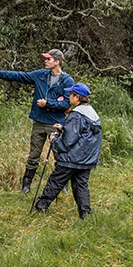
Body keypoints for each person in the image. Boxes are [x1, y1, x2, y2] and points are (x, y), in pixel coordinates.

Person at [0, 49, 75, 193]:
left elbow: (66, 105)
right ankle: (26, 186)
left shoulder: (67, 81)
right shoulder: (40, 74)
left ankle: (62, 184)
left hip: (55, 123)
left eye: (48, 59)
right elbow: (21, 76)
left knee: (59, 154)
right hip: (38, 122)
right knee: (33, 155)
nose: (45, 61)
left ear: (57, 62)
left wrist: (48, 104)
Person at [33, 83, 101, 219]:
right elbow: (83, 134)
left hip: (71, 158)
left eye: (70, 95)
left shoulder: (76, 115)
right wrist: (63, 128)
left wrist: (54, 141)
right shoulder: (92, 113)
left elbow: (68, 141)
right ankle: (85, 214)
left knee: (56, 181)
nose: (68, 97)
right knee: (81, 186)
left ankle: (41, 206)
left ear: (77, 97)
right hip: (86, 160)